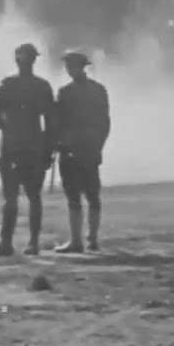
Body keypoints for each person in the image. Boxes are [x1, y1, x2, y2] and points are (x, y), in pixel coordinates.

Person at [0, 42, 58, 256]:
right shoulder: (40, 86)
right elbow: (51, 121)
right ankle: (29, 243)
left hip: (15, 147)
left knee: (13, 197)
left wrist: (11, 128)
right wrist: (49, 146)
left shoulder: (9, 85)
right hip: (31, 146)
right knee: (31, 197)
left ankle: (7, 243)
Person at [54, 51, 111, 253]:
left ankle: (81, 240)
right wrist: (98, 145)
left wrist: (57, 142)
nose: (70, 69)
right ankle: (88, 240)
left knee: (79, 196)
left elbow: (57, 123)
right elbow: (105, 123)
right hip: (86, 148)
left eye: (72, 65)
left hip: (75, 149)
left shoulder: (66, 93)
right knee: (87, 195)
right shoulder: (98, 90)